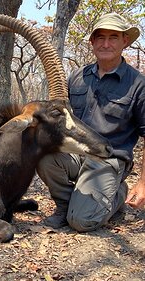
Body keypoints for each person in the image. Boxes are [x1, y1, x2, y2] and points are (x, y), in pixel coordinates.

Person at [37, 12, 145, 231]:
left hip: (108, 159)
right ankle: (65, 205)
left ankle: (117, 192)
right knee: (43, 154)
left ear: (125, 41)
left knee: (82, 221)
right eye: (100, 37)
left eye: (113, 37)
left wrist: (143, 183)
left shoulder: (138, 84)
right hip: (76, 154)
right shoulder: (76, 76)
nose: (106, 44)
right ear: (92, 42)